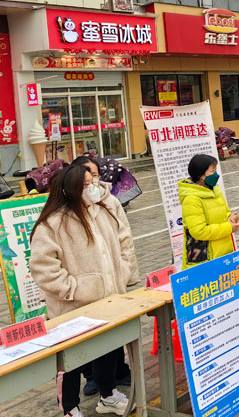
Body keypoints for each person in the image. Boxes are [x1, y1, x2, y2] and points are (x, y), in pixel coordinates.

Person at [30, 164, 138, 417]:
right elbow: (42, 267)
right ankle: (70, 408)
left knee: (108, 350)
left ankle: (108, 395)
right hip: (72, 308)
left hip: (107, 300)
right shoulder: (53, 222)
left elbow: (122, 243)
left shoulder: (103, 210)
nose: (93, 188)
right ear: (69, 190)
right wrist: (73, 289)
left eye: (94, 182)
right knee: (71, 360)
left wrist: (121, 273)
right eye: (86, 185)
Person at [71, 155, 133, 397]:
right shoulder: (65, 212)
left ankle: (118, 373)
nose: (93, 182)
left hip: (112, 280)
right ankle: (93, 378)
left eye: (95, 176)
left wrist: (124, 270)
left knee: (114, 332)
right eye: (88, 178)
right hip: (84, 290)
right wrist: (72, 287)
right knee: (89, 337)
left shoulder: (108, 201)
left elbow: (124, 237)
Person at [179, 154, 237, 269]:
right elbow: (199, 231)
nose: (216, 174)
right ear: (202, 176)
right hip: (205, 261)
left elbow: (224, 212)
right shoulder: (192, 199)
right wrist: (228, 227)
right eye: (212, 171)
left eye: (216, 170)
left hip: (224, 254)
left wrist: (230, 217)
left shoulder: (215, 190)